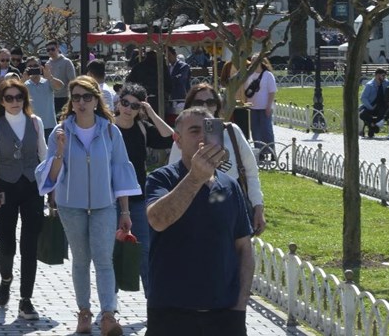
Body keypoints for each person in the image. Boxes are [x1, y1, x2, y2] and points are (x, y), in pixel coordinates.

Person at [35, 75, 140, 336]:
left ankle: (108, 316)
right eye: (76, 97)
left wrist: (125, 211)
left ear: (96, 100)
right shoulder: (61, 131)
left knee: (104, 260)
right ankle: (84, 312)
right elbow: (51, 175)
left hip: (105, 206)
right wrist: (59, 150)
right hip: (71, 206)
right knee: (81, 261)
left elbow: (120, 170)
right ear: (71, 102)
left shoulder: (109, 130)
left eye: (87, 97)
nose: (81, 102)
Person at [145, 107, 253, 335]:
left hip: (223, 315)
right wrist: (195, 177)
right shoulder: (161, 178)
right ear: (178, 140)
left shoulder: (230, 186)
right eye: (194, 131)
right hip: (171, 314)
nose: (203, 137)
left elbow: (244, 248)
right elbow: (158, 220)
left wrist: (240, 307)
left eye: (209, 130)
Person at [0, 76, 46, 321]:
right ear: (1, 101)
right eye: (9, 98)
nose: (14, 102)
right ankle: (6, 278)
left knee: (30, 245)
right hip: (5, 187)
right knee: (6, 242)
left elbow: (44, 155)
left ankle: (26, 299)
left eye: (19, 97)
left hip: (31, 186)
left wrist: (51, 188)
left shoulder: (36, 122)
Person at [168, 84, 266, 235]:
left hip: (232, 204)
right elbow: (174, 177)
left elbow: (251, 173)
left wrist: (258, 207)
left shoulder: (232, 132)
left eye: (211, 102)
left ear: (217, 105)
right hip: (195, 206)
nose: (206, 107)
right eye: (199, 103)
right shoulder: (184, 139)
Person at [112, 82, 175, 292]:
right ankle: (109, 307)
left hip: (138, 196)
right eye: (125, 103)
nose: (129, 109)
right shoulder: (108, 128)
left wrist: (151, 112)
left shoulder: (142, 128)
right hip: (109, 198)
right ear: (118, 103)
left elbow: (170, 137)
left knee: (144, 250)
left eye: (135, 105)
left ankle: (153, 302)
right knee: (109, 251)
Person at [242, 58, 277, 148]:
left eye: (255, 61)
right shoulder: (249, 75)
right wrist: (245, 103)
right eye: (252, 61)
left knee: (266, 129)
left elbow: (272, 92)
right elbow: (246, 91)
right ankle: (259, 150)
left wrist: (269, 106)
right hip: (252, 107)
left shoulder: (268, 75)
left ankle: (271, 150)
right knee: (255, 130)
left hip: (264, 107)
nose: (253, 63)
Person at [22, 57, 56, 141]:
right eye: (30, 66)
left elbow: (60, 86)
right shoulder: (23, 85)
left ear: (41, 67)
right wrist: (23, 79)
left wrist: (49, 76)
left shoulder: (48, 81)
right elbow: (14, 93)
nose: (33, 68)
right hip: (31, 125)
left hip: (49, 125)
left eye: (35, 65)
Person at [41, 40, 76, 115]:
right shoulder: (47, 64)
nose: (50, 52)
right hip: (52, 98)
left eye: (52, 49)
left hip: (65, 97)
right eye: (48, 50)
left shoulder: (66, 62)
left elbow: (72, 81)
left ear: (57, 48)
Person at [357, 68, 389, 138]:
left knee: (382, 111)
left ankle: (372, 127)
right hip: (371, 105)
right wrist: (370, 107)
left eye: (384, 76)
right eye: (382, 76)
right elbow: (363, 98)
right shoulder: (369, 85)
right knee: (362, 114)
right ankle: (373, 125)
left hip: (382, 105)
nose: (384, 77)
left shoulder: (387, 83)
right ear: (377, 75)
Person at [165, 48, 191, 120]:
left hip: (180, 96)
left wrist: (169, 80)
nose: (168, 58)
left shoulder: (183, 66)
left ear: (175, 55)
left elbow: (180, 79)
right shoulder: (167, 67)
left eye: (169, 56)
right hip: (170, 97)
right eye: (166, 56)